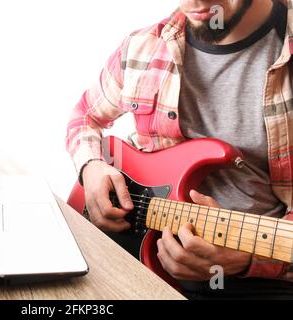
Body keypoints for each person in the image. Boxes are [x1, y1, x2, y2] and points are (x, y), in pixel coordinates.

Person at [66, 0, 293, 299]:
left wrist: (244, 260)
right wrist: (92, 166)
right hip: (135, 252)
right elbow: (85, 116)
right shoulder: (142, 47)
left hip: (255, 279)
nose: (196, 3)